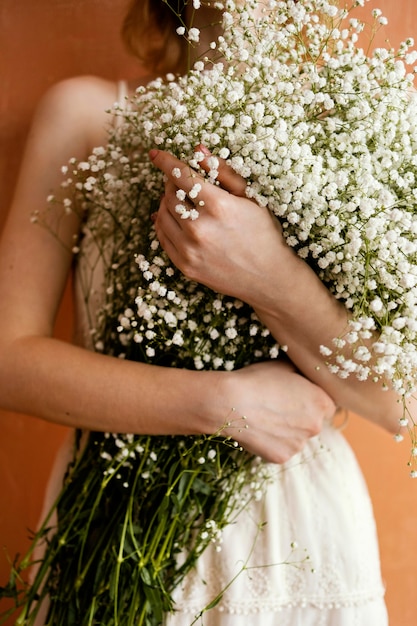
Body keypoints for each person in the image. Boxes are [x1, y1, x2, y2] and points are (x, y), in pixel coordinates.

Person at [0, 1, 411, 624]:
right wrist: (222, 406)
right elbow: (7, 360)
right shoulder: (89, 114)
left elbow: (398, 401)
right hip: (119, 528)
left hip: (306, 542)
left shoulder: (354, 123)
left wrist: (269, 275)